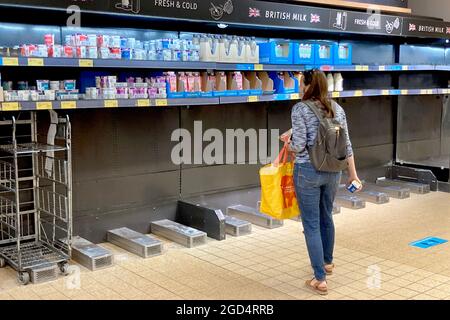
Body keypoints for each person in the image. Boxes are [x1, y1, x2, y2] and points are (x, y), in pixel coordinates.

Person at [285, 69, 361, 295]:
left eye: (301, 84)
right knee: (326, 216)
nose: (300, 88)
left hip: (308, 170)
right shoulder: (337, 108)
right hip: (333, 170)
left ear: (308, 86)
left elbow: (298, 145)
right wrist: (353, 174)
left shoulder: (300, 108)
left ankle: (320, 279)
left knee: (311, 224)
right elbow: (346, 144)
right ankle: (327, 262)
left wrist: (288, 143)